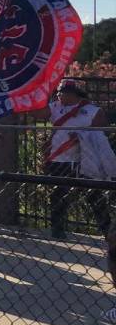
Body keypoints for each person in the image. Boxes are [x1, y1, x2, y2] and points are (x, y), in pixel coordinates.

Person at [36, 79, 112, 239]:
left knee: (94, 196)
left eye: (62, 93)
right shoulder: (55, 107)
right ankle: (57, 229)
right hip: (59, 158)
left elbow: (104, 130)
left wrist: (82, 135)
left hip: (84, 160)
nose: (59, 96)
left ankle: (107, 230)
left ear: (73, 94)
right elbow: (38, 113)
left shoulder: (92, 110)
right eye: (57, 92)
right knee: (58, 194)